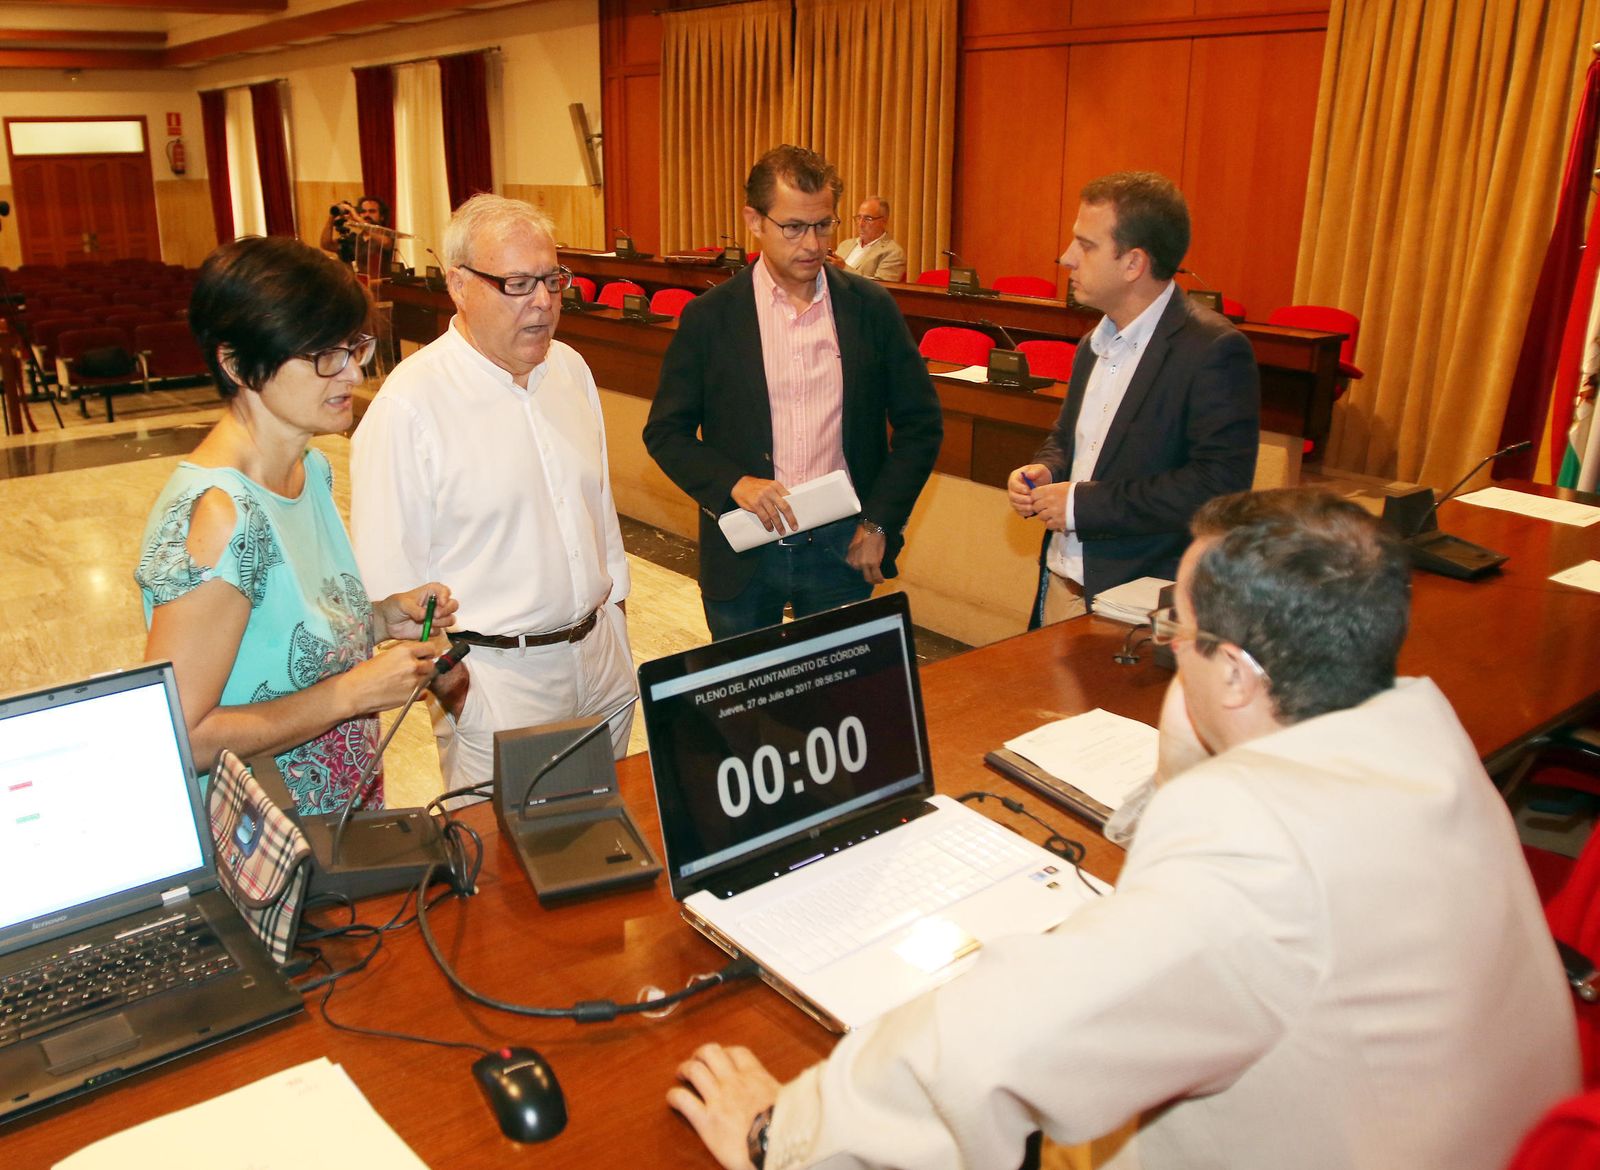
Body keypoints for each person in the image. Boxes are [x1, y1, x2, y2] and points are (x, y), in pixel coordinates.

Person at [666, 488, 1578, 1170]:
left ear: (1236, 673)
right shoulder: (1425, 750)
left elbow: (992, 1047)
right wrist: (1198, 734)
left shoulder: (1262, 856)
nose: (1165, 639)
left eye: (1177, 627)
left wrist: (780, 1133)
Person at [135, 236, 455, 814]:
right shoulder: (221, 517)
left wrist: (381, 618)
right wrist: (349, 694)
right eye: (323, 355)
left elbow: (277, 637)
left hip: (339, 819)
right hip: (262, 839)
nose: (352, 372)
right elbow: (182, 734)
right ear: (237, 364)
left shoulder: (310, 471)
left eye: (355, 347)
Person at [350, 194, 636, 789]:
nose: (543, 302)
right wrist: (461, 697)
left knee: (607, 831)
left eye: (552, 280)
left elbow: (599, 517)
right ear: (458, 285)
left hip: (602, 664)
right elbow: (390, 584)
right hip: (499, 682)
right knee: (503, 847)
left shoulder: (571, 370)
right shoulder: (410, 406)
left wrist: (616, 626)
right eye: (517, 284)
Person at [644, 146, 942, 640]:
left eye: (823, 225)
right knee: (746, 687)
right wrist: (733, 483)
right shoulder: (711, 317)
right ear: (754, 221)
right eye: (794, 227)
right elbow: (665, 432)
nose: (812, 244)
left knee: (837, 685)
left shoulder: (870, 308)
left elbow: (921, 425)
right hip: (745, 545)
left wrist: (881, 523)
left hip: (844, 545)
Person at [1007, 171, 1258, 623]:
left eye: (1085, 245)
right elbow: (1068, 440)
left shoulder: (1212, 350)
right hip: (1062, 582)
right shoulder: (1092, 343)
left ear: (1133, 263)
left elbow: (1218, 487)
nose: (1066, 258)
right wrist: (1048, 470)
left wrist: (1081, 505)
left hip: (1139, 605)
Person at [320, 194, 394, 275]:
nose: (367, 215)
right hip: (353, 282)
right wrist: (332, 216)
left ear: (382, 217)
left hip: (378, 282)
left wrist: (357, 218)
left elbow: (386, 243)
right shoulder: (353, 238)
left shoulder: (387, 236)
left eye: (372, 211)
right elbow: (326, 244)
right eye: (363, 212)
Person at [838, 196, 905, 282]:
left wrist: (844, 268)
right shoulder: (845, 245)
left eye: (868, 219)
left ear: (884, 221)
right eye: (859, 218)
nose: (860, 224)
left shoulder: (893, 252)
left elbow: (881, 286)